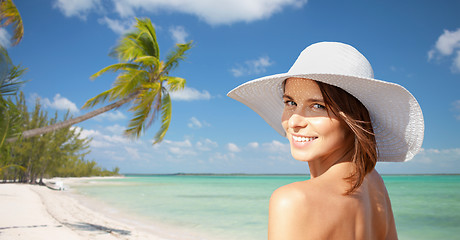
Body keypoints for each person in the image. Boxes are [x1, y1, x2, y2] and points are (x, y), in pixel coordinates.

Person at [227, 42, 424, 240]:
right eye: (290, 103)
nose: (294, 121)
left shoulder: (293, 201)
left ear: (352, 118)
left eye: (318, 106)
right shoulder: (373, 181)